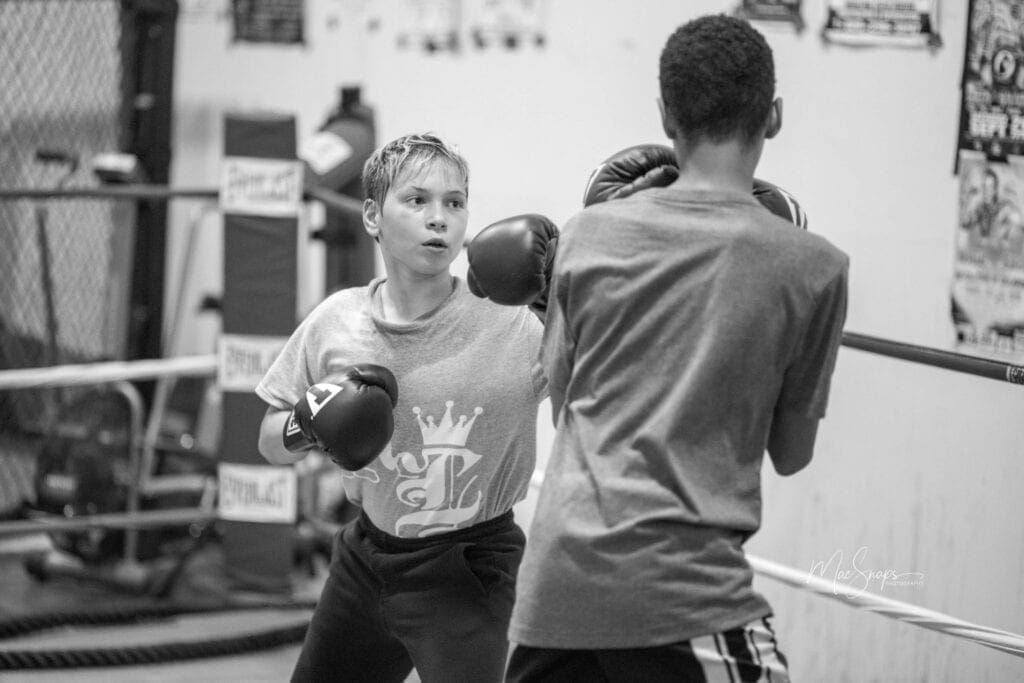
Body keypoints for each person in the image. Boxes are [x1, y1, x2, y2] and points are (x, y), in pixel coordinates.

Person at [503, 15, 850, 681]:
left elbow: (565, 407)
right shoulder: (815, 267)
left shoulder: (587, 234)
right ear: (772, 116)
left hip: (555, 589)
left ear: (666, 117)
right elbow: (792, 454)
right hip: (682, 595)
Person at [254, 133, 549, 682]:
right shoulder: (337, 322)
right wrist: (310, 422)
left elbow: (613, 378)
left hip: (473, 565)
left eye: (454, 203)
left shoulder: (514, 323)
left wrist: (565, 300)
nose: (439, 218)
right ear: (372, 215)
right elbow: (269, 442)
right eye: (417, 200)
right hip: (368, 560)